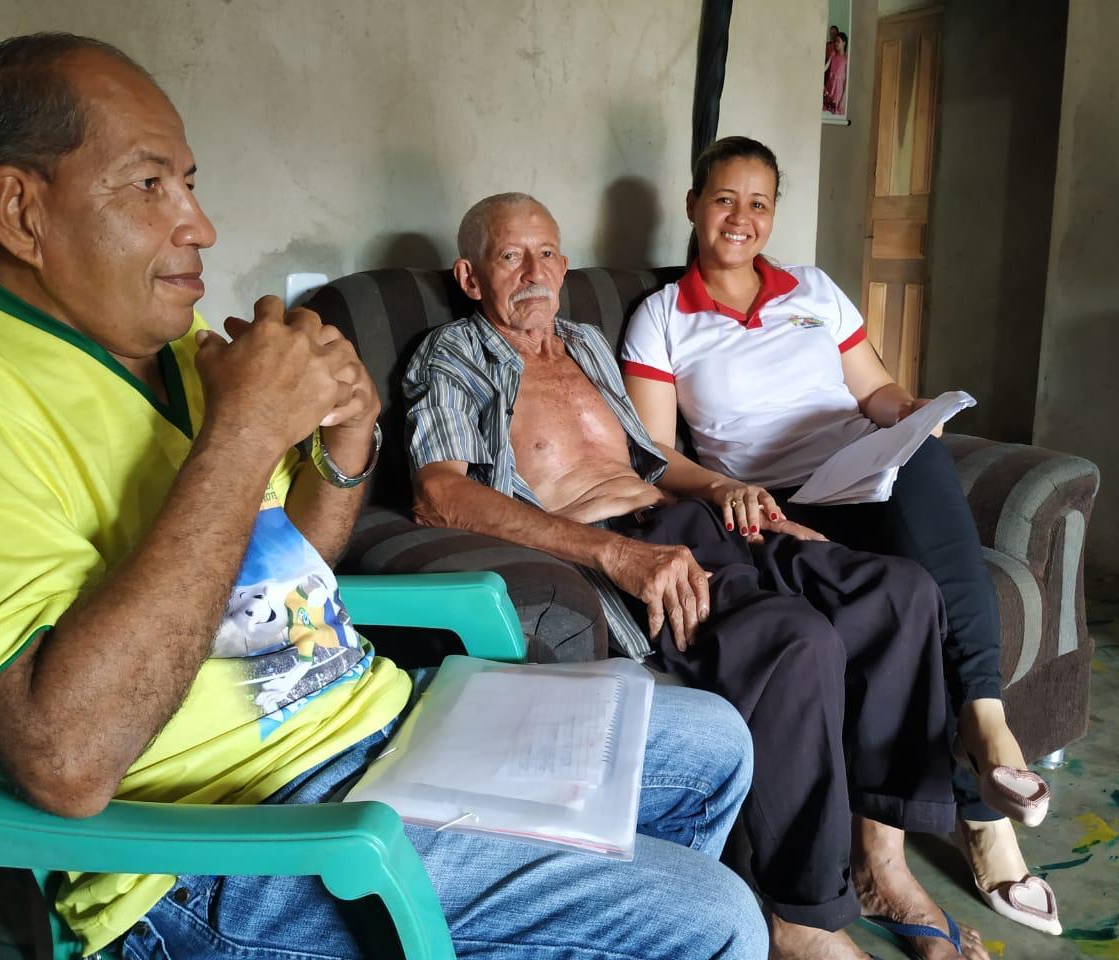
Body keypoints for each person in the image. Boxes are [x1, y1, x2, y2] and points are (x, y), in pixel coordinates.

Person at [0, 33, 769, 960]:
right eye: (150, 185)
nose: (199, 224)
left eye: (189, 181)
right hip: (228, 843)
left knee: (714, 741)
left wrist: (346, 448)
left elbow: (284, 567)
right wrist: (242, 435)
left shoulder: (180, 358)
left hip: (372, 723)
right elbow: (63, 760)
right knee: (713, 920)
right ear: (21, 211)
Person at [403, 191, 990, 960]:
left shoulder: (581, 342)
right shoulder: (453, 355)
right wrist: (615, 554)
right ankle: (800, 918)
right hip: (607, 547)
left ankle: (881, 865)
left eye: (547, 252)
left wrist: (734, 495)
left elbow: (651, 458)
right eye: (511, 255)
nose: (535, 271)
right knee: (796, 642)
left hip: (687, 520)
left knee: (900, 593)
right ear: (471, 276)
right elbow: (437, 494)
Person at [620, 135, 1062, 939]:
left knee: (924, 458)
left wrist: (914, 417)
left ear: (774, 213)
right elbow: (656, 457)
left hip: (859, 473)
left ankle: (987, 715)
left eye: (759, 202)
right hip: (770, 498)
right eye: (724, 199)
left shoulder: (814, 291)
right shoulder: (662, 318)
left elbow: (877, 392)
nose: (741, 218)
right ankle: (978, 803)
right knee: (904, 596)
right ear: (693, 206)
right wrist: (724, 486)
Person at [824, 33, 848, 114]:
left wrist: (843, 98)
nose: (836, 43)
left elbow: (846, 81)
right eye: (835, 42)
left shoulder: (846, 59)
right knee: (827, 110)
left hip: (838, 90)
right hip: (830, 86)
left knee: (836, 111)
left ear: (844, 43)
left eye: (838, 41)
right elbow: (825, 68)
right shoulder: (833, 56)